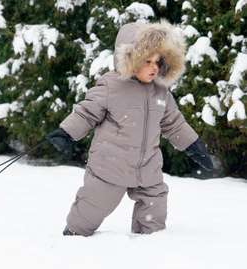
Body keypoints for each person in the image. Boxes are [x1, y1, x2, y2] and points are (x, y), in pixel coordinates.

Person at [47, 21, 213, 236]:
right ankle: (74, 233)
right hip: (110, 166)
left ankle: (150, 244)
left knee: (155, 206)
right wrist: (66, 133)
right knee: (94, 204)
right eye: (147, 61)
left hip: (148, 167)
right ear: (131, 59)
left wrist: (193, 145)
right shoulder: (111, 86)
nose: (154, 67)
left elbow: (174, 122)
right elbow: (86, 112)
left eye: (158, 61)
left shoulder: (161, 92)